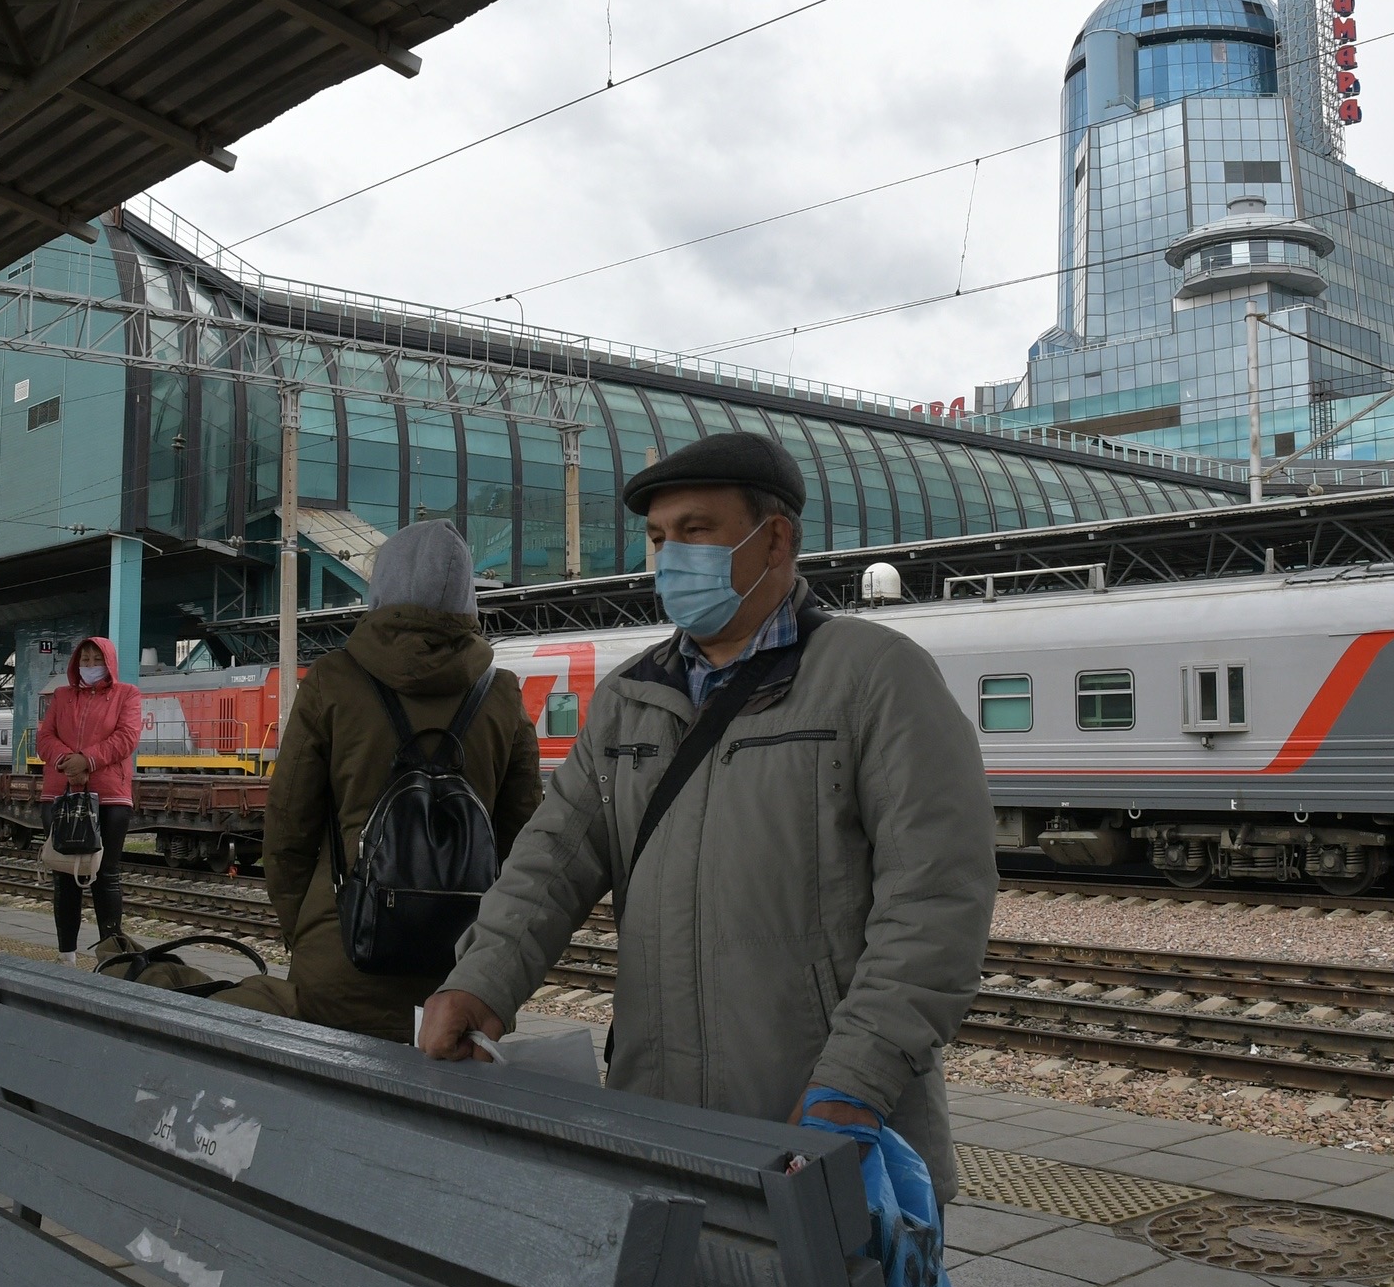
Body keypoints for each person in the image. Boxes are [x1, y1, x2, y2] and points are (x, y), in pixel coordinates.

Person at [418, 434, 995, 1196]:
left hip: (828, 1134)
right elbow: (549, 862)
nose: (669, 558)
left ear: (776, 537)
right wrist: (480, 981)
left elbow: (935, 903)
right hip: (657, 1130)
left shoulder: (875, 678)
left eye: (695, 531)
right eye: (658, 538)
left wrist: (854, 1083)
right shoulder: (629, 697)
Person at [261, 521, 542, 1041]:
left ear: (381, 588)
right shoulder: (501, 694)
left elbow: (287, 830)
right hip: (459, 982)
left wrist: (310, 930)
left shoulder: (332, 680)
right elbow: (523, 841)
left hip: (341, 967)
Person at [35, 634, 143, 966]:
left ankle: (110, 956)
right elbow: (44, 737)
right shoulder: (61, 696)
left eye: (97, 660)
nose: (90, 666)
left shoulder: (128, 694)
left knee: (105, 875)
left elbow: (126, 737)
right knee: (64, 874)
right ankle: (66, 954)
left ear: (109, 663)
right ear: (75, 664)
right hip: (61, 794)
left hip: (110, 798)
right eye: (85, 660)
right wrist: (69, 763)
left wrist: (88, 762)